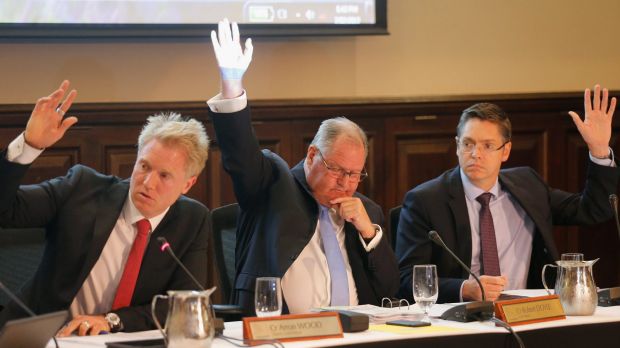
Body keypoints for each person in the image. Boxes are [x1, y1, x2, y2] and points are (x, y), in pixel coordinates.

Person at [207, 19, 399, 315]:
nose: (345, 183)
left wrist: (370, 234)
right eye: (337, 169)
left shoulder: (366, 212)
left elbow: (390, 292)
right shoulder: (272, 184)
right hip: (281, 332)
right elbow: (241, 156)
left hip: (357, 336)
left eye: (354, 174)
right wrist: (232, 87)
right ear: (312, 156)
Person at [0, 80, 211, 335]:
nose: (148, 182)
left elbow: (181, 304)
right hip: (40, 338)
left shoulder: (193, 219)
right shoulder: (81, 189)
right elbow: (5, 209)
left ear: (188, 184)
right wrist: (29, 146)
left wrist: (111, 320)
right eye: (144, 166)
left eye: (164, 176)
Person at [396, 87, 618, 303]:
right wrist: (465, 289)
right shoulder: (426, 201)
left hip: (527, 313)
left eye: (488, 145)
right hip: (460, 319)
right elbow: (406, 280)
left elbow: (591, 211)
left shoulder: (528, 185)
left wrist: (599, 150)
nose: (475, 154)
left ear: (506, 151)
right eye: (468, 143)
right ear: (457, 146)